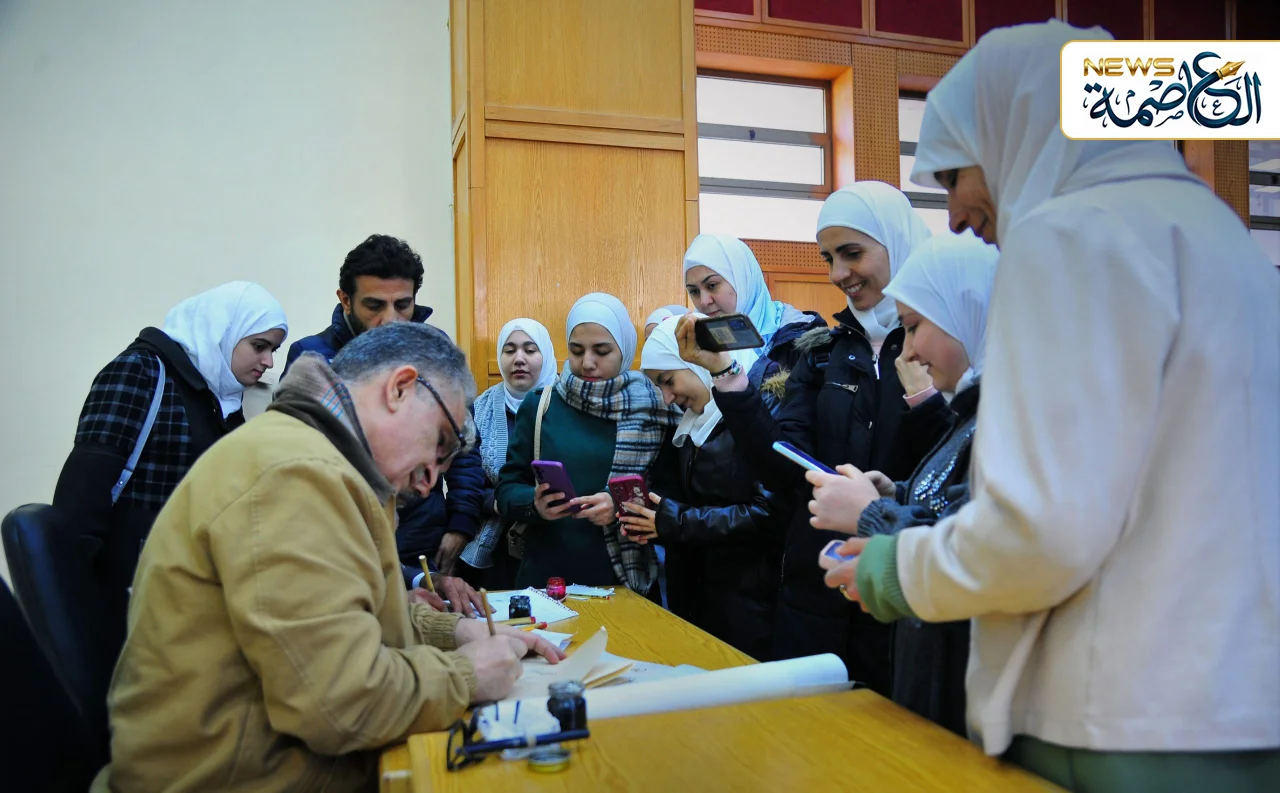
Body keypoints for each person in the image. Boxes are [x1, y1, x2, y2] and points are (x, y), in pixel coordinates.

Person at [821, 21, 1280, 792]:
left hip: (1113, 712)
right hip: (1241, 706)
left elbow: (1041, 529)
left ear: (1018, 127)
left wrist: (894, 566)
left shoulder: (1067, 234)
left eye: (954, 176)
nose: (956, 216)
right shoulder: (1224, 236)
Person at [92, 322, 565, 793]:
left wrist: (453, 631)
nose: (429, 481)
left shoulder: (321, 460)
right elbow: (341, 706)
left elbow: (347, 614)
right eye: (441, 443)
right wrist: (466, 676)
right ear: (400, 389)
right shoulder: (296, 475)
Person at [676, 182, 942, 691]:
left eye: (852, 253)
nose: (838, 273)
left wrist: (924, 401)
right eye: (828, 258)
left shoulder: (944, 348)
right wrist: (726, 375)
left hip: (906, 589)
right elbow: (782, 464)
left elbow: (954, 473)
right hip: (819, 591)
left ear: (898, 244)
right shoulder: (824, 351)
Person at [806, 233, 998, 735]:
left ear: (967, 312)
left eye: (913, 328)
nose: (908, 350)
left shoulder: (1006, 421)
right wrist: (896, 493)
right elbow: (949, 505)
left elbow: (980, 550)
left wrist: (870, 514)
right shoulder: (972, 410)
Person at [54, 281, 288, 658]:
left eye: (273, 350)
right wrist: (74, 593)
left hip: (185, 588)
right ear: (222, 331)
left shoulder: (224, 399)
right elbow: (84, 488)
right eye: (259, 346)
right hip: (125, 587)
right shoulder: (141, 371)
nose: (268, 362)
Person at [282, 234, 484, 612]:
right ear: (345, 300)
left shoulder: (435, 351)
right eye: (374, 305)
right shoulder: (312, 358)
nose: (390, 320)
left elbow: (462, 442)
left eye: (402, 305)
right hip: (345, 534)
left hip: (423, 533)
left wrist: (461, 521)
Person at [620, 317, 787, 659]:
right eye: (659, 387)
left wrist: (675, 522)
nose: (667, 398)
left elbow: (768, 512)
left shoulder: (758, 409)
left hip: (752, 601)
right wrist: (652, 521)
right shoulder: (692, 424)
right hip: (705, 594)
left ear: (696, 364)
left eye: (668, 381)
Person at [496, 293, 678, 594]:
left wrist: (621, 506)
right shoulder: (541, 406)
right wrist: (534, 503)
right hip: (549, 579)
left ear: (624, 350)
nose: (587, 363)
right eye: (576, 351)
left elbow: (674, 494)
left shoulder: (655, 408)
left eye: (602, 351)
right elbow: (507, 488)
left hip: (625, 582)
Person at [457, 318, 559, 589]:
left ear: (546, 355)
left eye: (530, 350)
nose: (519, 359)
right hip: (495, 544)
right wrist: (503, 502)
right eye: (510, 350)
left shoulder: (566, 405)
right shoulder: (480, 409)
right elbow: (466, 482)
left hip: (556, 537)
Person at [682, 234, 826, 395]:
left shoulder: (801, 340)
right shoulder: (697, 347)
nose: (704, 301)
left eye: (712, 285)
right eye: (694, 291)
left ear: (742, 279)